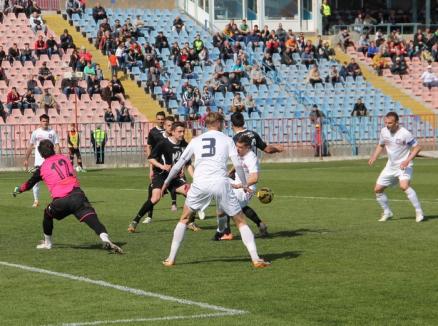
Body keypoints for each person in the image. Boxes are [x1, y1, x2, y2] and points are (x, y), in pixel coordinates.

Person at [161, 112, 271, 268]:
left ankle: (171, 258)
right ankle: (256, 259)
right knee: (240, 221)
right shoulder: (227, 140)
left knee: (184, 219)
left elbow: (179, 165)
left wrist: (166, 182)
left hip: (200, 183)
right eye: (223, 122)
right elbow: (237, 165)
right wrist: (245, 184)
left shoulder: (196, 140)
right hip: (220, 182)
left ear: (206, 124)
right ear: (219, 123)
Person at [13, 140, 122, 253]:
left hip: (61, 201)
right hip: (77, 196)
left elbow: (28, 184)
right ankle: (105, 238)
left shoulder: (41, 168)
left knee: (47, 214)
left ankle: (48, 243)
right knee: (92, 218)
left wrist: (18, 190)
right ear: (53, 149)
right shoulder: (64, 158)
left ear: (41, 154)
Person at [128, 121, 194, 232]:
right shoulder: (163, 143)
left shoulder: (184, 145)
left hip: (175, 178)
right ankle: (135, 221)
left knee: (192, 193)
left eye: (183, 131)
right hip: (160, 175)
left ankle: (190, 222)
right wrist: (162, 166)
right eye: (179, 131)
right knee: (155, 198)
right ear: (172, 132)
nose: (182, 134)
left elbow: (188, 164)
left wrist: (194, 178)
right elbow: (151, 158)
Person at [368, 112, 424, 223]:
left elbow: (417, 147)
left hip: (404, 165)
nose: (387, 125)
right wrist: (374, 156)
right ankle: (387, 212)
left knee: (404, 186)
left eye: (390, 123)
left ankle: (419, 211)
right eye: (386, 122)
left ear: (396, 122)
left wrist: (407, 160)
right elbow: (381, 144)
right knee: (378, 190)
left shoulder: (405, 133)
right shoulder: (384, 131)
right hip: (390, 166)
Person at [213, 135, 260, 240]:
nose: (237, 149)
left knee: (226, 203)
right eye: (236, 146)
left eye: (240, 147)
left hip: (246, 189)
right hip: (236, 185)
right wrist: (230, 172)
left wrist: (240, 185)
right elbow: (238, 164)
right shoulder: (240, 154)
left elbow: (255, 178)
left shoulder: (251, 158)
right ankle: (261, 224)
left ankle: (226, 233)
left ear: (248, 147)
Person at [24, 114, 61, 208]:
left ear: (49, 122)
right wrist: (26, 159)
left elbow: (56, 145)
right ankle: (36, 200)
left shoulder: (52, 132)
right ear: (40, 122)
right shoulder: (36, 132)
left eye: (46, 121)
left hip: (51, 161)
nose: (45, 123)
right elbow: (31, 146)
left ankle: (57, 199)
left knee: (54, 180)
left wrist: (59, 157)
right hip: (38, 162)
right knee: (36, 181)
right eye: (43, 121)